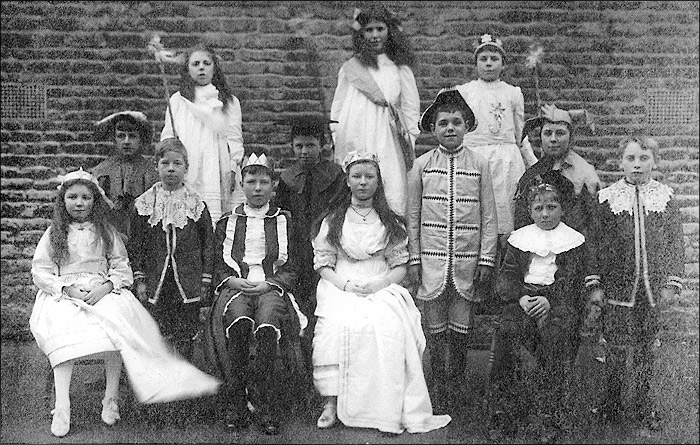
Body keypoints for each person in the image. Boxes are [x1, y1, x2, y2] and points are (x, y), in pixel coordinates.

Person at [29, 168, 220, 438]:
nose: (79, 203)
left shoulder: (106, 232)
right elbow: (41, 271)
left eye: (85, 197)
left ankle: (111, 398)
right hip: (65, 294)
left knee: (117, 332)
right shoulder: (53, 234)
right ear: (63, 201)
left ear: (95, 201)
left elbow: (121, 266)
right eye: (72, 197)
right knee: (63, 335)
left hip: (102, 290)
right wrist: (67, 289)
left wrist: (107, 286)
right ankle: (62, 406)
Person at [310, 151, 451, 435]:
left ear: (378, 181)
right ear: (347, 181)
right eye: (356, 177)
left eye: (369, 177)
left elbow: (399, 267)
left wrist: (379, 284)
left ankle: (386, 406)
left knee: (387, 327)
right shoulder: (334, 220)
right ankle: (331, 401)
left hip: (381, 284)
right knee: (336, 326)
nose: (363, 183)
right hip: (340, 284)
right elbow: (324, 265)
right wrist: (346, 286)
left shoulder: (389, 222)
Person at [406, 87, 498, 413]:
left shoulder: (481, 164)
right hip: (430, 260)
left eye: (456, 122)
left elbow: (489, 216)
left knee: (461, 325)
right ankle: (437, 383)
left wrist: (486, 259)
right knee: (435, 327)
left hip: (467, 259)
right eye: (443, 122)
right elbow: (412, 216)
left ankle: (457, 384)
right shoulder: (420, 167)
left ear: (467, 126)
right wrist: (414, 259)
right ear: (433, 128)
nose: (450, 128)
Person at [586, 135, 684, 434]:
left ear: (654, 162)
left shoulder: (665, 198)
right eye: (631, 159)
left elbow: (674, 244)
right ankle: (611, 403)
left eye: (644, 159)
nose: (637, 165)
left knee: (644, 349)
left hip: (650, 290)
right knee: (614, 348)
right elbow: (596, 244)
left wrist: (671, 282)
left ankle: (643, 405)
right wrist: (596, 283)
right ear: (621, 163)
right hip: (617, 289)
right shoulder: (607, 198)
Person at [208, 153, 303, 435]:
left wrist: (272, 283)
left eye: (264, 182)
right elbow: (216, 263)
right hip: (237, 286)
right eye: (251, 181)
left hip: (270, 285)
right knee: (238, 322)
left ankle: (265, 403)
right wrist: (232, 282)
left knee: (267, 323)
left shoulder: (285, 220)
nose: (258, 188)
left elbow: (294, 265)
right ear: (242, 183)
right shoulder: (226, 222)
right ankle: (236, 401)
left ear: (274, 185)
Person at [488, 181, 588, 443]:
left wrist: (549, 300)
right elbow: (507, 275)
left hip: (558, 301)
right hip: (522, 297)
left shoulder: (573, 241)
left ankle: (550, 414)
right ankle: (506, 410)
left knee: (555, 338)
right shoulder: (520, 239)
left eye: (552, 207)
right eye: (539, 208)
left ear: (562, 209)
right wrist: (520, 296)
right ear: (530, 211)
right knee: (508, 333)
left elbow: (573, 281)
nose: (545, 214)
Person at [273, 114, 349, 378]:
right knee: (302, 310)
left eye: (310, 145)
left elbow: (341, 211)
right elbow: (280, 217)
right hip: (298, 253)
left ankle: (329, 370)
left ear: (323, 145)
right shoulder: (287, 178)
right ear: (292, 147)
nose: (304, 152)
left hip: (326, 249)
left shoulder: (336, 175)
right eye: (299, 146)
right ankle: (302, 369)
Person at [128, 138, 215, 361]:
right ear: (157, 166)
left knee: (185, 330)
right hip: (156, 279)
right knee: (158, 328)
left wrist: (205, 279)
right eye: (165, 163)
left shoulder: (196, 204)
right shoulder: (145, 203)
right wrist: (140, 278)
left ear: (186, 167)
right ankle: (162, 376)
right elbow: (136, 244)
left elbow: (208, 243)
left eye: (177, 163)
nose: (171, 169)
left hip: (188, 279)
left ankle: (184, 373)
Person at [329, 4, 420, 216]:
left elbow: (410, 108)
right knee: (359, 187)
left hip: (389, 139)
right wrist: (338, 137)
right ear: (361, 33)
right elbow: (338, 107)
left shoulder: (400, 69)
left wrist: (410, 138)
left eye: (380, 29)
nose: (375, 35)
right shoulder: (350, 68)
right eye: (369, 30)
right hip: (356, 136)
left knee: (391, 188)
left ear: (389, 31)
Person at [456, 33, 538, 263]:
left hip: (507, 161)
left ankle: (506, 272)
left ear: (503, 64)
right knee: (476, 217)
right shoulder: (465, 91)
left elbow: (520, 135)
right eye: (484, 58)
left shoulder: (513, 93)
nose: (489, 63)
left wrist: (534, 165)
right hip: (476, 157)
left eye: (494, 58)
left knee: (506, 219)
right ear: (476, 64)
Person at [160, 44, 245, 225]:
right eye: (195, 63)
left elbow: (234, 139)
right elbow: (168, 135)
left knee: (214, 217)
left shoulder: (228, 101)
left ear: (214, 68)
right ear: (187, 69)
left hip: (216, 165)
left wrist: (231, 168)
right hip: (187, 164)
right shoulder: (178, 100)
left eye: (206, 63)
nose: (201, 67)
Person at [514, 104, 602, 238]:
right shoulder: (532, 174)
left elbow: (593, 223)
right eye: (548, 133)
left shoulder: (585, 173)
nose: (553, 139)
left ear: (571, 137)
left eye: (560, 133)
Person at [91, 110, 159, 241]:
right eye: (121, 136)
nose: (126, 141)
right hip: (109, 237)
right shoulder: (101, 172)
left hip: (144, 239)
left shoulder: (152, 173)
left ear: (141, 139)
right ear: (114, 139)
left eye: (132, 136)